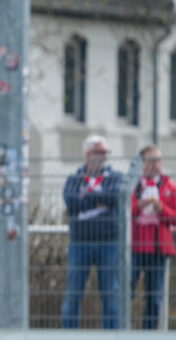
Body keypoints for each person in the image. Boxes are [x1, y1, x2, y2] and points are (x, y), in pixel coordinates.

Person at [61, 135, 124, 329]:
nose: (104, 156)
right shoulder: (74, 179)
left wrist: (86, 198)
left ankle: (113, 336)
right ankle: (69, 335)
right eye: (99, 152)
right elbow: (71, 201)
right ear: (88, 154)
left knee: (111, 293)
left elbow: (115, 197)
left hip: (109, 243)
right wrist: (98, 200)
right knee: (74, 292)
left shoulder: (116, 177)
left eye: (106, 152)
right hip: (80, 242)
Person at [130, 145, 176, 330]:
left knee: (155, 297)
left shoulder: (169, 185)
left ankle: (148, 335)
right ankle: (124, 332)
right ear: (142, 163)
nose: (156, 165)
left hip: (158, 249)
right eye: (151, 161)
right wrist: (139, 206)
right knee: (127, 293)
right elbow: (124, 213)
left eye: (159, 160)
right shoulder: (132, 184)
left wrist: (162, 210)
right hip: (134, 248)